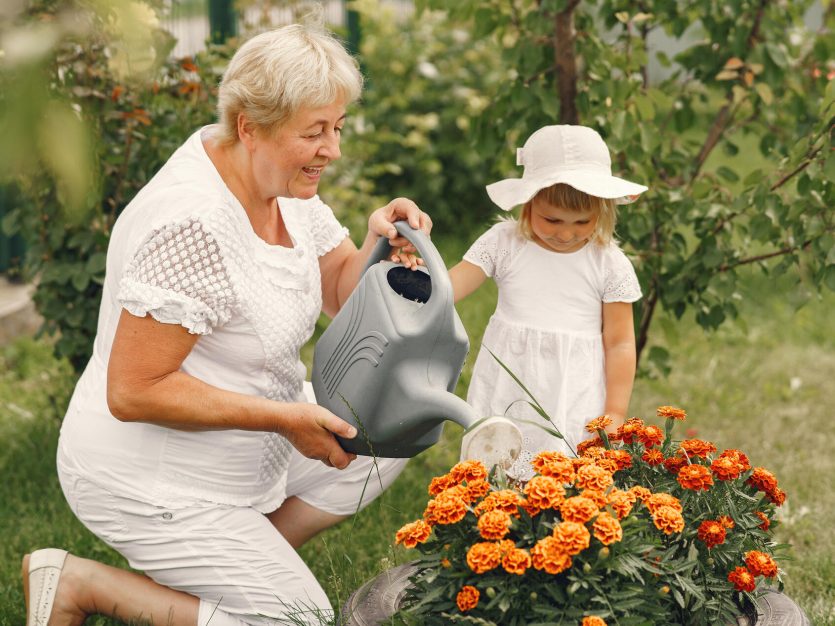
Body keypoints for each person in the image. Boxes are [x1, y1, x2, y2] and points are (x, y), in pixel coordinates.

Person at [22, 20, 433, 626]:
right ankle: (82, 585)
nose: (334, 149)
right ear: (250, 125)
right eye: (315, 132)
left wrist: (378, 248)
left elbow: (340, 290)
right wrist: (287, 418)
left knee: (390, 433)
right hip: (150, 475)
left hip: (241, 444)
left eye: (338, 128)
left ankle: (222, 574)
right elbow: (135, 390)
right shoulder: (193, 224)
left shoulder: (278, 180)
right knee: (299, 619)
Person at [446, 125, 647, 479]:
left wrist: (615, 411)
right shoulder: (504, 244)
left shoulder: (609, 263)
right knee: (498, 468)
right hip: (511, 377)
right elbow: (450, 287)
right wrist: (418, 278)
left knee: (565, 475)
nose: (566, 233)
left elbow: (620, 342)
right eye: (551, 219)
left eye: (582, 222)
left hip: (572, 390)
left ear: (602, 211)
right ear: (529, 202)